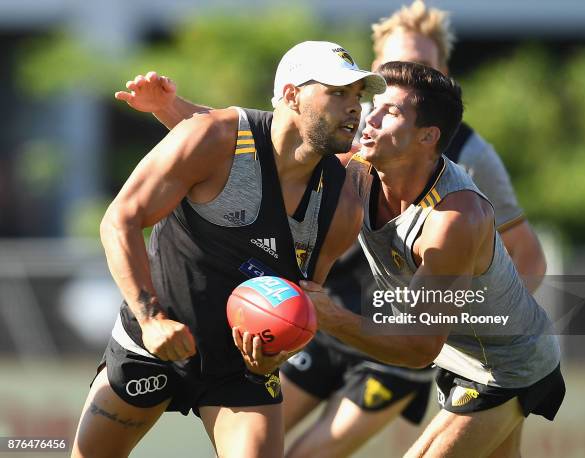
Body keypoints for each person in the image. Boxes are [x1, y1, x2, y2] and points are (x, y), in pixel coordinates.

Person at [117, 3, 548, 456]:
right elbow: (269, 134)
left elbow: (507, 274)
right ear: (376, 70)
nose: (369, 115)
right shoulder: (358, 146)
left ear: (440, 77)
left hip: (437, 347)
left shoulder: (464, 188)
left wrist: (473, 314)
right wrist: (173, 109)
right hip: (327, 311)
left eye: (422, 66)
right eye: (390, 71)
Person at [71, 40, 386, 458]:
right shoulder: (214, 138)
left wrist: (276, 356)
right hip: (156, 339)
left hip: (240, 368)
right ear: (291, 95)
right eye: (337, 92)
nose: (354, 107)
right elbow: (119, 220)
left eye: (358, 96)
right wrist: (151, 320)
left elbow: (303, 306)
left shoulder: (343, 206)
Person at [301, 60, 565, 457]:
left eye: (390, 112)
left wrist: (329, 316)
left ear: (428, 136)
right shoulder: (355, 166)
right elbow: (266, 144)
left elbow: (419, 346)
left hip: (504, 367)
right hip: (460, 356)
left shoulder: (454, 219)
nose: (368, 117)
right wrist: (173, 108)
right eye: (373, 105)